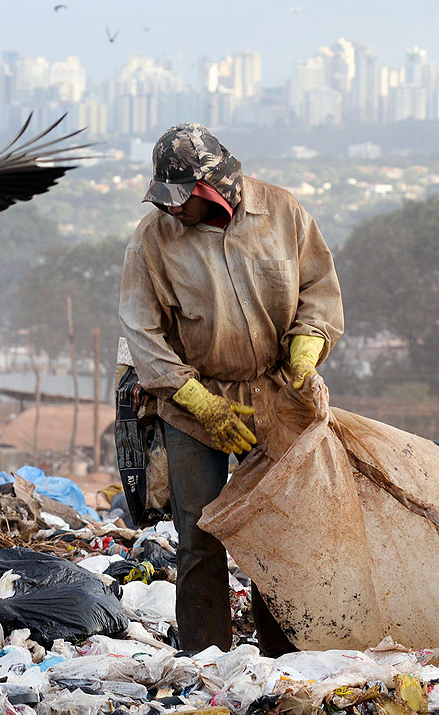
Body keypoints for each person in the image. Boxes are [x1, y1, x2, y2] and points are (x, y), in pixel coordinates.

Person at [118, 122, 344, 654]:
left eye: (180, 200)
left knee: (275, 531)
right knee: (199, 535)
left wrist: (306, 348)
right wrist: (195, 398)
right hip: (192, 403)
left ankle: (280, 655)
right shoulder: (153, 240)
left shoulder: (283, 214)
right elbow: (141, 331)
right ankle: (205, 656)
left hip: (275, 394)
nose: (171, 209)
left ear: (211, 188)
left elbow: (319, 287)